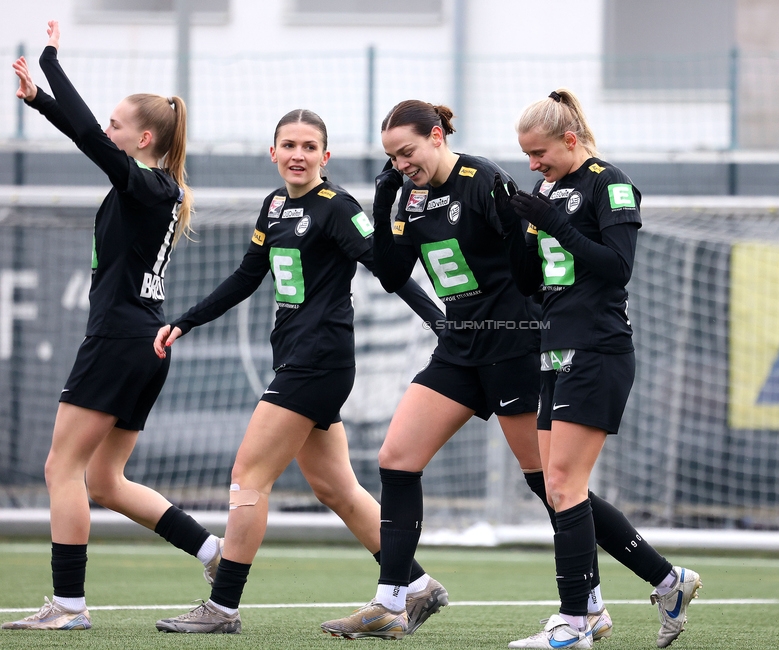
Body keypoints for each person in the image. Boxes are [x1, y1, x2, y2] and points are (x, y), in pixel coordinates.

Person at [151, 108, 448, 635]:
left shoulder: (337, 207)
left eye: (310, 147)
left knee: (247, 480)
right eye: (289, 145)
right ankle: (418, 585)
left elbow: (386, 266)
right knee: (338, 490)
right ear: (273, 152)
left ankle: (222, 608)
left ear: (325, 157)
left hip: (318, 361)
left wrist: (436, 319)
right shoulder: (272, 206)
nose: (298, 154)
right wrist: (186, 321)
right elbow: (247, 275)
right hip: (297, 358)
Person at [3, 21, 224, 632]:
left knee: (61, 469)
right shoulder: (154, 187)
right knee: (104, 478)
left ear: (144, 136)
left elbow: (84, 136)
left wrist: (50, 65)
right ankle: (215, 556)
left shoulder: (147, 184)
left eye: (117, 123)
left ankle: (69, 606)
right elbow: (88, 134)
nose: (107, 130)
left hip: (122, 340)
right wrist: (39, 100)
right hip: (144, 343)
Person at [320, 100, 551, 640]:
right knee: (396, 459)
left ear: (438, 136)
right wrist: (385, 202)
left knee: (552, 483)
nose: (401, 163)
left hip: (512, 346)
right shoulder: (408, 193)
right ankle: (391, 603)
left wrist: (532, 329)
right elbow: (394, 273)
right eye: (392, 157)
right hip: (459, 349)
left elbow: (527, 265)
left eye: (408, 152)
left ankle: (645, 581)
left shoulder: (484, 179)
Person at [503, 89, 702, 649]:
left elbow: (617, 268)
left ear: (571, 139)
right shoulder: (552, 188)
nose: (533, 165)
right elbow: (527, 282)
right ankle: (667, 581)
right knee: (557, 487)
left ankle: (576, 622)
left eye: (540, 153)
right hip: (553, 349)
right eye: (527, 156)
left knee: (563, 485)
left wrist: (553, 222)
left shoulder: (608, 182)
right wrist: (519, 227)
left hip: (597, 349)